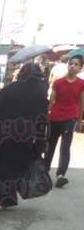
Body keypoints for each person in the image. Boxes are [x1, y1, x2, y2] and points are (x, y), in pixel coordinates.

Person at [0, 62, 48, 210]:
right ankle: (4, 200)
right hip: (23, 139)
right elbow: (42, 121)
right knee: (12, 169)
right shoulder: (40, 95)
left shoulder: (9, 89)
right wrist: (40, 144)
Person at [44, 54, 84, 187]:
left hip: (70, 118)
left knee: (65, 147)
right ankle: (44, 171)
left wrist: (79, 120)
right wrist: (46, 114)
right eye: (71, 63)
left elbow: (81, 103)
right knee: (50, 145)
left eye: (76, 64)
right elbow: (52, 101)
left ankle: (61, 174)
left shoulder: (81, 84)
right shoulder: (58, 82)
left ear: (81, 68)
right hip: (55, 117)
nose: (72, 66)